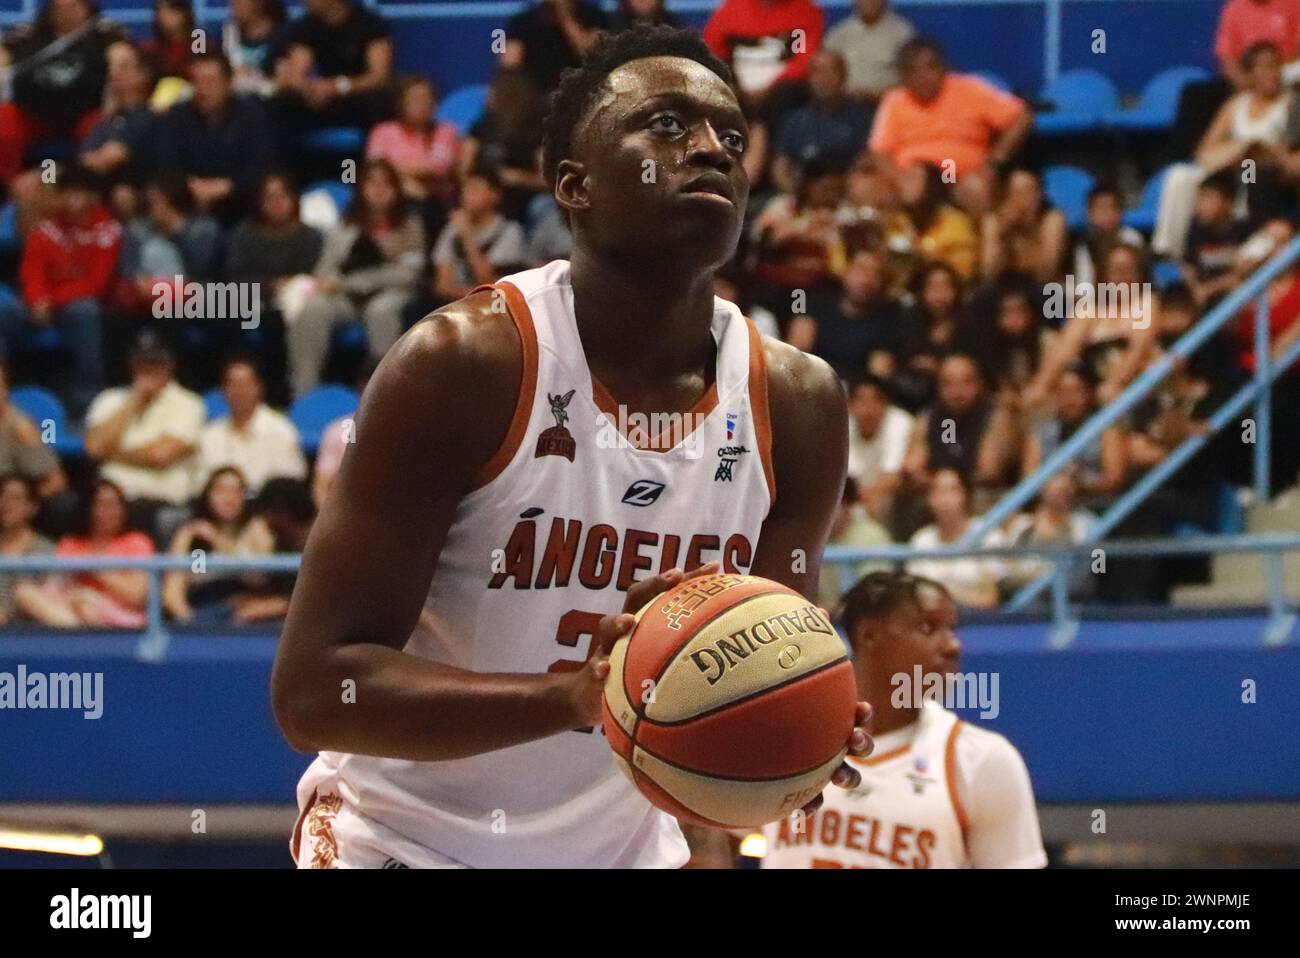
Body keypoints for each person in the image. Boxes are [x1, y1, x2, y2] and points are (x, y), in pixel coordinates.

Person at [271, 24, 871, 870]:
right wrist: (572, 699)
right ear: (573, 185)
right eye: (667, 125)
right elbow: (314, 694)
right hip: (402, 844)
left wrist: (793, 731)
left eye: (731, 136)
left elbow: (760, 667)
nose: (710, 149)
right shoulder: (466, 365)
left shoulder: (800, 404)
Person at [762, 571, 1047, 868]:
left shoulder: (983, 761)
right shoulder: (789, 741)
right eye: (928, 627)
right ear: (869, 635)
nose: (953, 646)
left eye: (951, 629)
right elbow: (717, 837)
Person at [284, 159, 425, 397]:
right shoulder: (347, 223)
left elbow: (409, 274)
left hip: (391, 294)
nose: (379, 189)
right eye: (372, 183)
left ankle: (385, 396)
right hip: (347, 297)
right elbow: (326, 267)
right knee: (313, 309)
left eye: (386, 184)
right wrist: (326, 282)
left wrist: (354, 281)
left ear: (396, 190)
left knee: (380, 310)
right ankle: (303, 393)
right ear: (361, 187)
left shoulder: (410, 225)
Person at [0, 164, 120, 419]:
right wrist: (37, 299)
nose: (73, 201)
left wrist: (50, 301)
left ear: (93, 197)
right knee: (4, 310)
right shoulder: (46, 228)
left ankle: (87, 407)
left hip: (76, 307)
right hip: (39, 306)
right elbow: (31, 271)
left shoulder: (107, 229)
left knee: (84, 310)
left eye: (79, 194)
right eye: (68, 194)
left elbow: (96, 284)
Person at [868, 38, 1031, 216]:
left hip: (953, 173)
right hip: (911, 174)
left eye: (931, 67)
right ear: (904, 76)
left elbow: (1021, 117)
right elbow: (879, 152)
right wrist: (898, 177)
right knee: (868, 188)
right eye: (914, 71)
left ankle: (981, 238)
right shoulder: (895, 100)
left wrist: (994, 162)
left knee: (973, 187)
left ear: (944, 67)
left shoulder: (969, 89)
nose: (924, 77)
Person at [82, 331, 205, 539]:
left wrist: (110, 453)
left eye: (155, 363)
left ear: (169, 365)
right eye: (142, 363)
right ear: (132, 364)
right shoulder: (110, 399)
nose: (148, 370)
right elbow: (93, 449)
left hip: (159, 500)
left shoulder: (188, 403)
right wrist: (133, 402)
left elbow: (160, 456)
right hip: (110, 500)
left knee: (144, 514)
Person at [14, 478, 154, 628]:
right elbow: (53, 588)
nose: (112, 511)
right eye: (103, 505)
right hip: (69, 609)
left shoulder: (137, 542)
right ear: (89, 508)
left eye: (116, 505)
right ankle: (75, 633)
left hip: (121, 616)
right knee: (24, 592)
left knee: (87, 604)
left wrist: (96, 569)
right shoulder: (70, 544)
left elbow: (137, 597)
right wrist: (75, 597)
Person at [155, 52, 278, 222]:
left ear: (228, 84)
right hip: (189, 205)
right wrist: (190, 186)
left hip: (243, 205)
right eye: (197, 81)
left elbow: (262, 165)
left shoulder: (251, 115)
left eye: (211, 81)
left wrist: (227, 186)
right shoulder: (178, 116)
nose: (203, 89)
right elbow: (166, 162)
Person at [162, 465, 276, 625]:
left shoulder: (255, 529)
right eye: (221, 490)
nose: (229, 498)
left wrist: (220, 544)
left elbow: (259, 578)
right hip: (204, 607)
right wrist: (189, 620)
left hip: (247, 610)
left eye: (237, 492)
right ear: (208, 495)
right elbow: (182, 584)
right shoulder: (194, 534)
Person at [198, 358, 307, 495]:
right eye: (233, 384)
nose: (239, 391)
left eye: (245, 384)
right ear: (223, 391)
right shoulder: (210, 434)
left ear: (260, 388)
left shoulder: (281, 431)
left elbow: (289, 486)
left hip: (268, 509)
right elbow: (202, 486)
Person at [906, 469, 1006, 609]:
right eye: (938, 491)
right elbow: (914, 599)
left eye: (952, 490)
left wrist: (947, 598)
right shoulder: (921, 540)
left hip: (979, 621)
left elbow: (990, 599)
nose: (945, 499)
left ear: (965, 495)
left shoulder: (986, 535)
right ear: (929, 499)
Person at [430, 167, 527, 306]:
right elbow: (442, 285)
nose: (466, 196)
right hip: (455, 304)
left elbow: (487, 281)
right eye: (465, 190)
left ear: (495, 195)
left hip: (494, 308)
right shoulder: (452, 230)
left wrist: (467, 235)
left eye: (474, 190)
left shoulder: (509, 231)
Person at [845, 374, 912, 522]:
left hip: (888, 497)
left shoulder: (899, 422)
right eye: (861, 401)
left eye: (875, 400)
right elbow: (846, 481)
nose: (868, 409)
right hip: (852, 498)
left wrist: (868, 495)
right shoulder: (841, 426)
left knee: (880, 501)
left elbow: (892, 475)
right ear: (850, 405)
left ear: (886, 404)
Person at [504, 0, 609, 92]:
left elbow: (592, 54)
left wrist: (564, 18)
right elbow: (509, 64)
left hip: (582, 92)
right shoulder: (523, 21)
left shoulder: (594, 16)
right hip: (536, 97)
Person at [822, 0, 916, 102]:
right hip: (845, 108)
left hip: (887, 105)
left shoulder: (902, 34)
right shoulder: (837, 35)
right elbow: (825, 78)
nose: (869, 2)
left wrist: (877, 95)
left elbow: (911, 79)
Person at [0, 475, 55, 626]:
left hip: (26, 632)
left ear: (32, 507)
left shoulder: (44, 549)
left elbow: (46, 599)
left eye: (15, 498)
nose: (5, 504)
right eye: (2, 496)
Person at [222, 0, 289, 96]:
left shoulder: (284, 34)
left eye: (241, 2)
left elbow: (283, 81)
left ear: (260, 3)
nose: (235, 7)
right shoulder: (230, 31)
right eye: (233, 3)